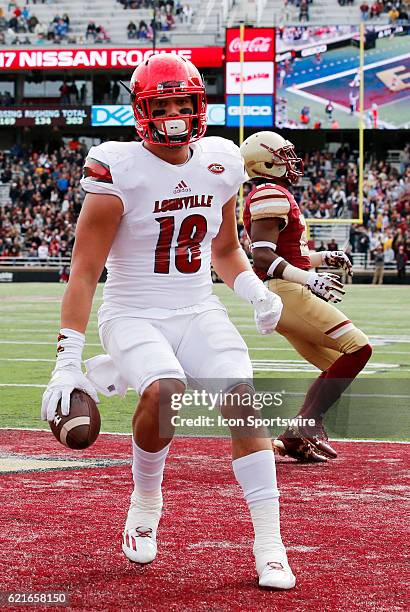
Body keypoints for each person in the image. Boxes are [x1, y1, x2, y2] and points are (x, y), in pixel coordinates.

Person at [40, 56, 295, 590]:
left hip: (198, 307)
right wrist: (65, 361)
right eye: (164, 104)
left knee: (243, 401)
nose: (176, 114)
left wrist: (255, 292)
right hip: (132, 312)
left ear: (198, 105)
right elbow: (84, 272)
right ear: (142, 110)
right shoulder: (119, 167)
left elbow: (225, 249)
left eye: (184, 103)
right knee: (165, 389)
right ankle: (146, 498)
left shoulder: (221, 159)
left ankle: (270, 545)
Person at [240, 131, 372, 463]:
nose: (291, 160)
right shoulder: (269, 194)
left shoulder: (274, 193)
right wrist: (310, 279)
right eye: (284, 154)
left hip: (288, 294)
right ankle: (304, 427)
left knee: (334, 365)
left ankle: (295, 438)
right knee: (359, 348)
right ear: (266, 161)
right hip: (289, 294)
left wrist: (323, 257)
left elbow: (289, 255)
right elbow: (264, 259)